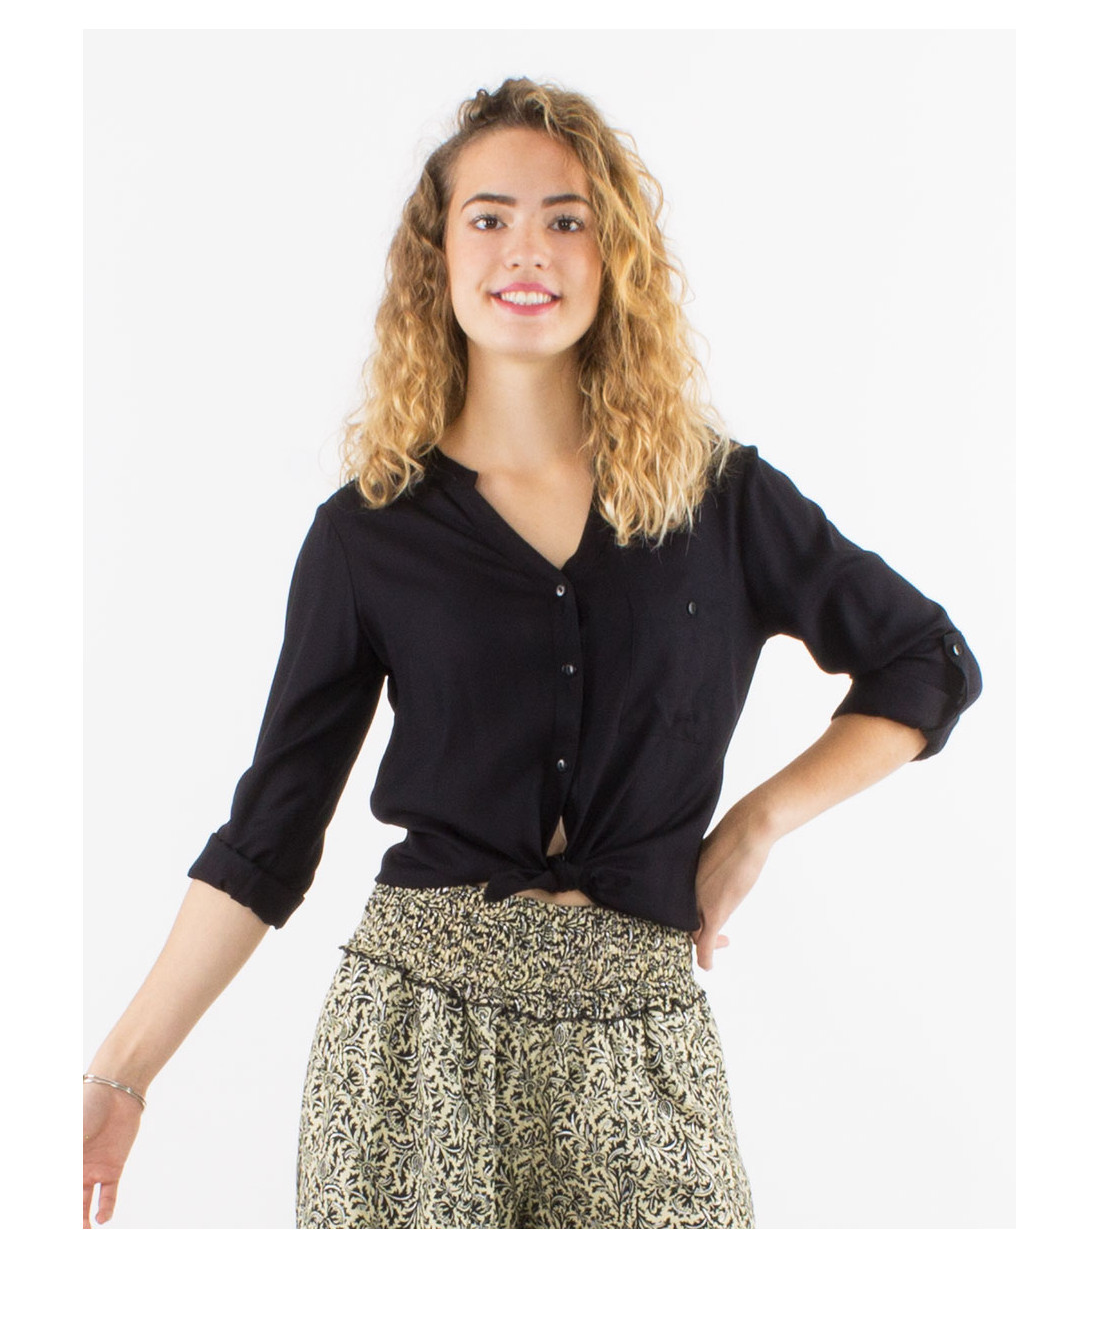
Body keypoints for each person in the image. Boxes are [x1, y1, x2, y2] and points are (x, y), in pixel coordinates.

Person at [83, 76, 982, 1230]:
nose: (527, 250)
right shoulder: (368, 534)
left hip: (639, 1033)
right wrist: (121, 1076)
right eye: (489, 217)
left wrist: (753, 825)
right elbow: (268, 837)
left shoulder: (717, 500)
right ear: (437, 258)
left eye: (566, 219)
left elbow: (923, 660)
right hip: (411, 1046)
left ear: (613, 258)